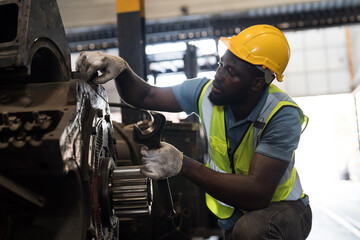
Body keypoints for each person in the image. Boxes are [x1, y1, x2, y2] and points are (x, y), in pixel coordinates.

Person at [76, 24, 312, 239]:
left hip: (283, 211)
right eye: (221, 65)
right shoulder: (205, 93)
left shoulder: (281, 115)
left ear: (257, 83)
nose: (219, 75)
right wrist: (122, 69)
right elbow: (145, 95)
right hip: (235, 217)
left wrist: (182, 164)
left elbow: (257, 194)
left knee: (251, 231)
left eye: (231, 72)